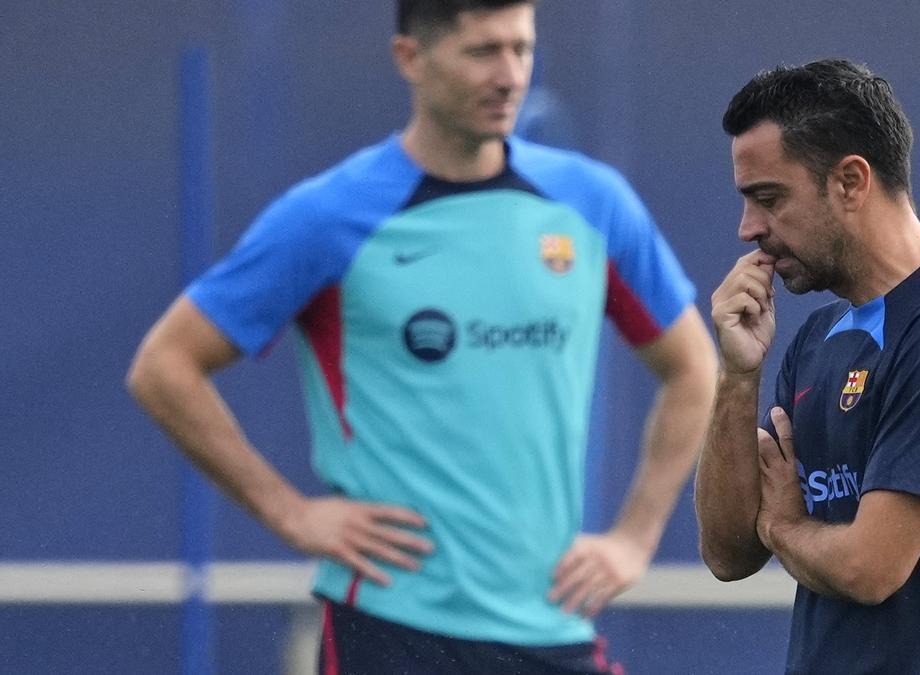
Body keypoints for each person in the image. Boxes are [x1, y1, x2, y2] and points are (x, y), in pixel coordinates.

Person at [126, 1, 717, 672]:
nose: (509, 75)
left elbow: (693, 365)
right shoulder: (331, 214)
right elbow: (165, 365)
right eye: (482, 52)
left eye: (521, 50)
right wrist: (289, 512)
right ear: (411, 58)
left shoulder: (590, 203)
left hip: (553, 625)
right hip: (390, 627)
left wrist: (635, 537)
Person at [695, 59, 920, 673]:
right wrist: (738, 376)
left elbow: (869, 567)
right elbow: (728, 553)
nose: (749, 229)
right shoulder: (820, 338)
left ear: (851, 181)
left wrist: (785, 528)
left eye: (769, 198)